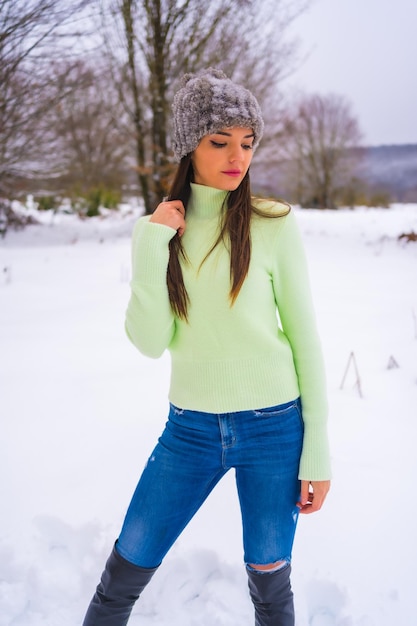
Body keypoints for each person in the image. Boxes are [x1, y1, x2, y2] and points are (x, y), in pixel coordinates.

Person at [82, 67, 331, 626]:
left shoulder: (274, 225)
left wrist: (317, 449)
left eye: (246, 143)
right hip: (189, 431)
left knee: (271, 587)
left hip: (274, 429)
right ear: (188, 147)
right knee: (124, 572)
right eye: (219, 142)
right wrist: (152, 245)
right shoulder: (160, 230)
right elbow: (150, 342)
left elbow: (305, 339)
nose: (236, 156)